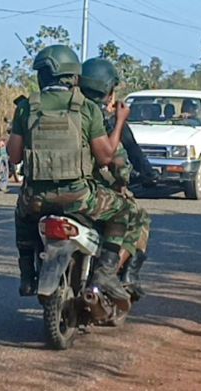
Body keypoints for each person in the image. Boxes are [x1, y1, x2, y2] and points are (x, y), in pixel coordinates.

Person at [7, 45, 133, 305]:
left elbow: (14, 156)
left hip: (36, 198)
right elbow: (105, 157)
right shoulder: (86, 108)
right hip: (79, 197)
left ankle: (27, 273)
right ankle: (106, 273)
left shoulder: (27, 107)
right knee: (122, 211)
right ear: (74, 77)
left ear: (41, 76)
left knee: (22, 215)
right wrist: (120, 120)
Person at [80, 57, 154, 300]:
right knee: (137, 217)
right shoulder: (107, 122)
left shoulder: (66, 112)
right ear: (109, 91)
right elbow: (120, 162)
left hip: (54, 193)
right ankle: (121, 275)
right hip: (92, 194)